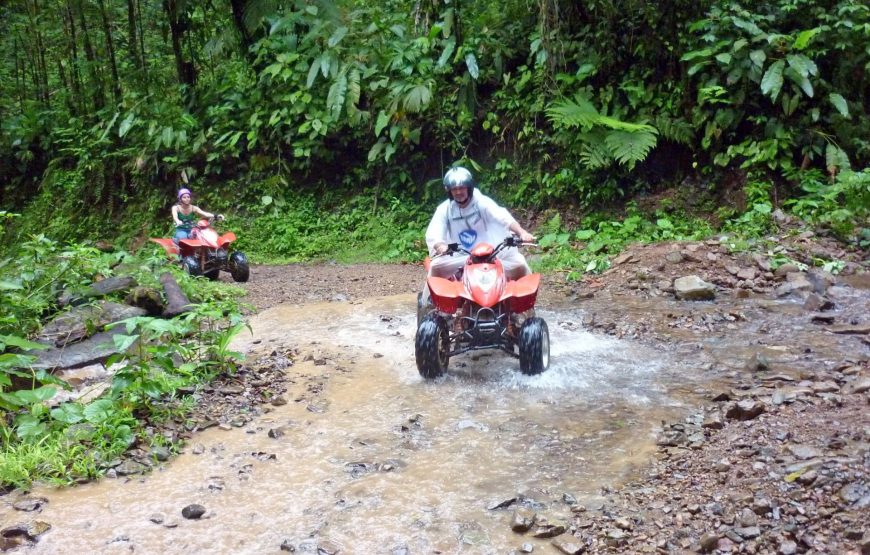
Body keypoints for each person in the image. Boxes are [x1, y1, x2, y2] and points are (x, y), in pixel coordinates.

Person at [425, 166, 535, 281]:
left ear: (469, 188)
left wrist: (522, 232)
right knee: (435, 267)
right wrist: (440, 246)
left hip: (492, 256)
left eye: (462, 188)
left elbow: (503, 217)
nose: (458, 192)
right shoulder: (444, 209)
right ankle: (428, 299)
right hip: (461, 257)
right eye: (454, 189)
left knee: (521, 264)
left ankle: (527, 298)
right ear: (449, 191)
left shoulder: (482, 202)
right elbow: (435, 231)